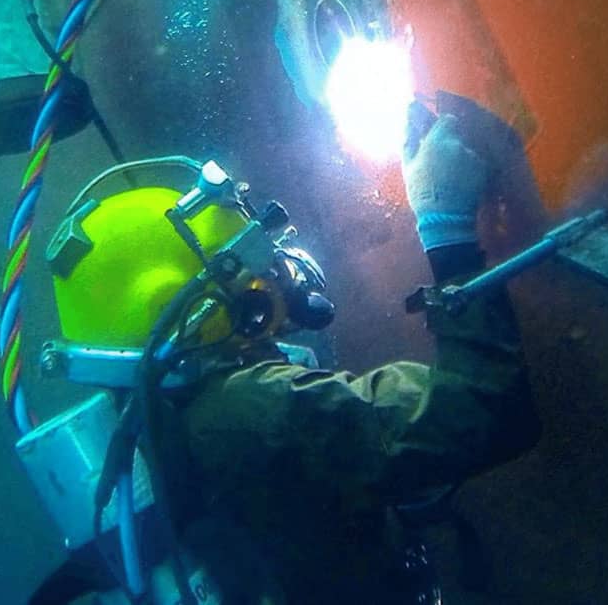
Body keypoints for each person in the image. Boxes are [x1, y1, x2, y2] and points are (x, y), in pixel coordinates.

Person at [30, 108, 540, 605]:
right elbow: (486, 409)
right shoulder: (257, 410)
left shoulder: (153, 426)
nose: (274, 273)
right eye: (245, 262)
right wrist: (445, 226)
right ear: (184, 304)